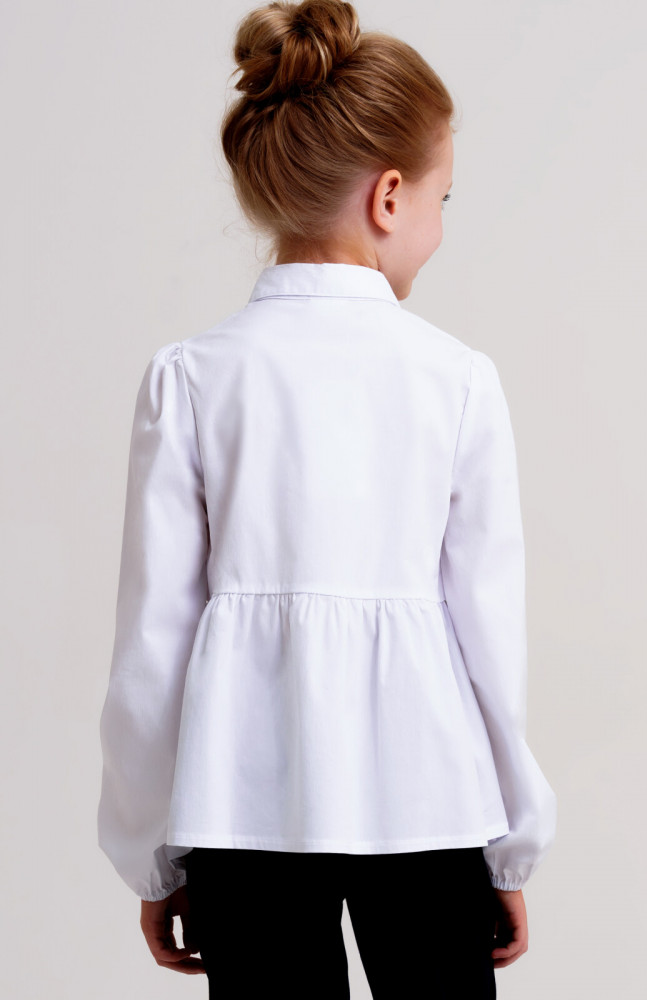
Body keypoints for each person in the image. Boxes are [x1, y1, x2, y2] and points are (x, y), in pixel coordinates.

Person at [96, 1, 557, 996]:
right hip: (429, 802)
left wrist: (151, 854)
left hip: (239, 808)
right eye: (443, 197)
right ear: (390, 196)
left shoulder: (191, 379)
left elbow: (151, 646)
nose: (440, 224)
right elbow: (490, 634)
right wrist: (510, 841)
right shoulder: (456, 381)